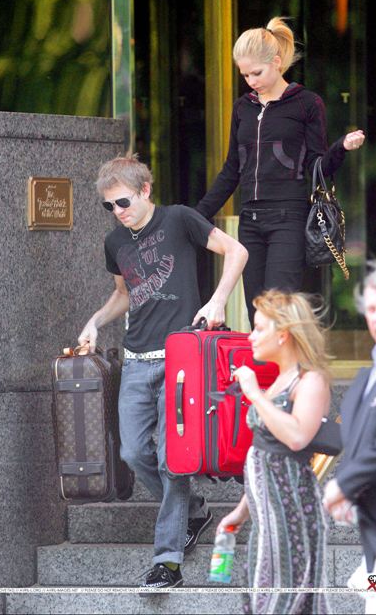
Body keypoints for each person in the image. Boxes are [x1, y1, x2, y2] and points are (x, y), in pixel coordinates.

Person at [77, 154, 248, 588]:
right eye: (109, 206)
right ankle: (194, 510)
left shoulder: (179, 220)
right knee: (133, 452)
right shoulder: (115, 242)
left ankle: (167, 562)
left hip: (182, 359)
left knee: (174, 460)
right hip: (136, 360)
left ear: (145, 190)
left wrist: (217, 301)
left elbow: (237, 251)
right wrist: (95, 322)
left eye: (123, 202)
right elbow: (124, 294)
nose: (118, 212)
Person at [195, 17, 365, 327]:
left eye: (256, 73)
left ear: (276, 62)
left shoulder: (307, 104)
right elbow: (232, 169)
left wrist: (340, 147)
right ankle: (265, 362)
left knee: (276, 313)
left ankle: (289, 360)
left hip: (289, 219)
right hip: (250, 222)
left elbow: (317, 166)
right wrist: (196, 216)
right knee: (255, 314)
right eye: (245, 75)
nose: (251, 81)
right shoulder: (242, 108)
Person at [216, 289, 332, 614]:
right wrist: (241, 511)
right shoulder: (282, 379)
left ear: (283, 335)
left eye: (258, 328)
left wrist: (254, 394)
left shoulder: (310, 380)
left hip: (290, 512)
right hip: (266, 515)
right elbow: (264, 454)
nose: (251, 337)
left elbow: (296, 437)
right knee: (263, 597)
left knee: (282, 600)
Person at [323, 261, 376, 615]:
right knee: (371, 590)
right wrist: (350, 492)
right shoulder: (365, 379)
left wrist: (343, 485)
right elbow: (359, 444)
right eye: (372, 309)